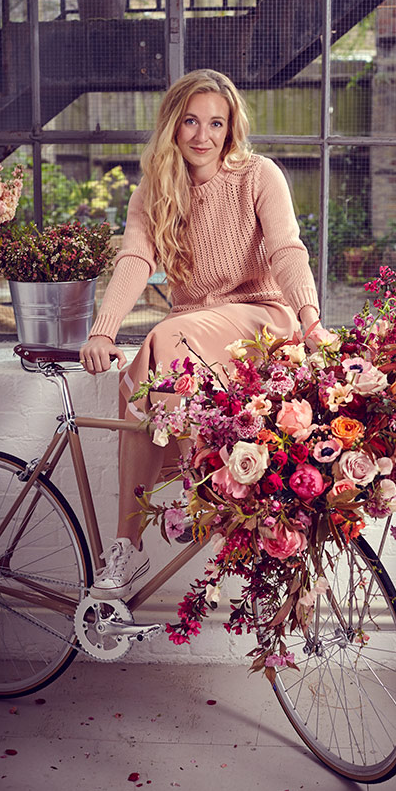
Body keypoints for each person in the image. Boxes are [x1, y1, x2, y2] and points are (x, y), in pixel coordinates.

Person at [79, 68, 320, 599]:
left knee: (165, 341)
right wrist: (103, 330)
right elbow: (135, 258)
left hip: (263, 320)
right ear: (173, 125)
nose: (202, 135)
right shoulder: (155, 190)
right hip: (195, 331)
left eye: (216, 122)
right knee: (144, 380)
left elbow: (286, 249)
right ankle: (127, 545)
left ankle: (197, 485)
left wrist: (310, 318)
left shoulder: (259, 175)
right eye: (190, 121)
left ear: (231, 127)